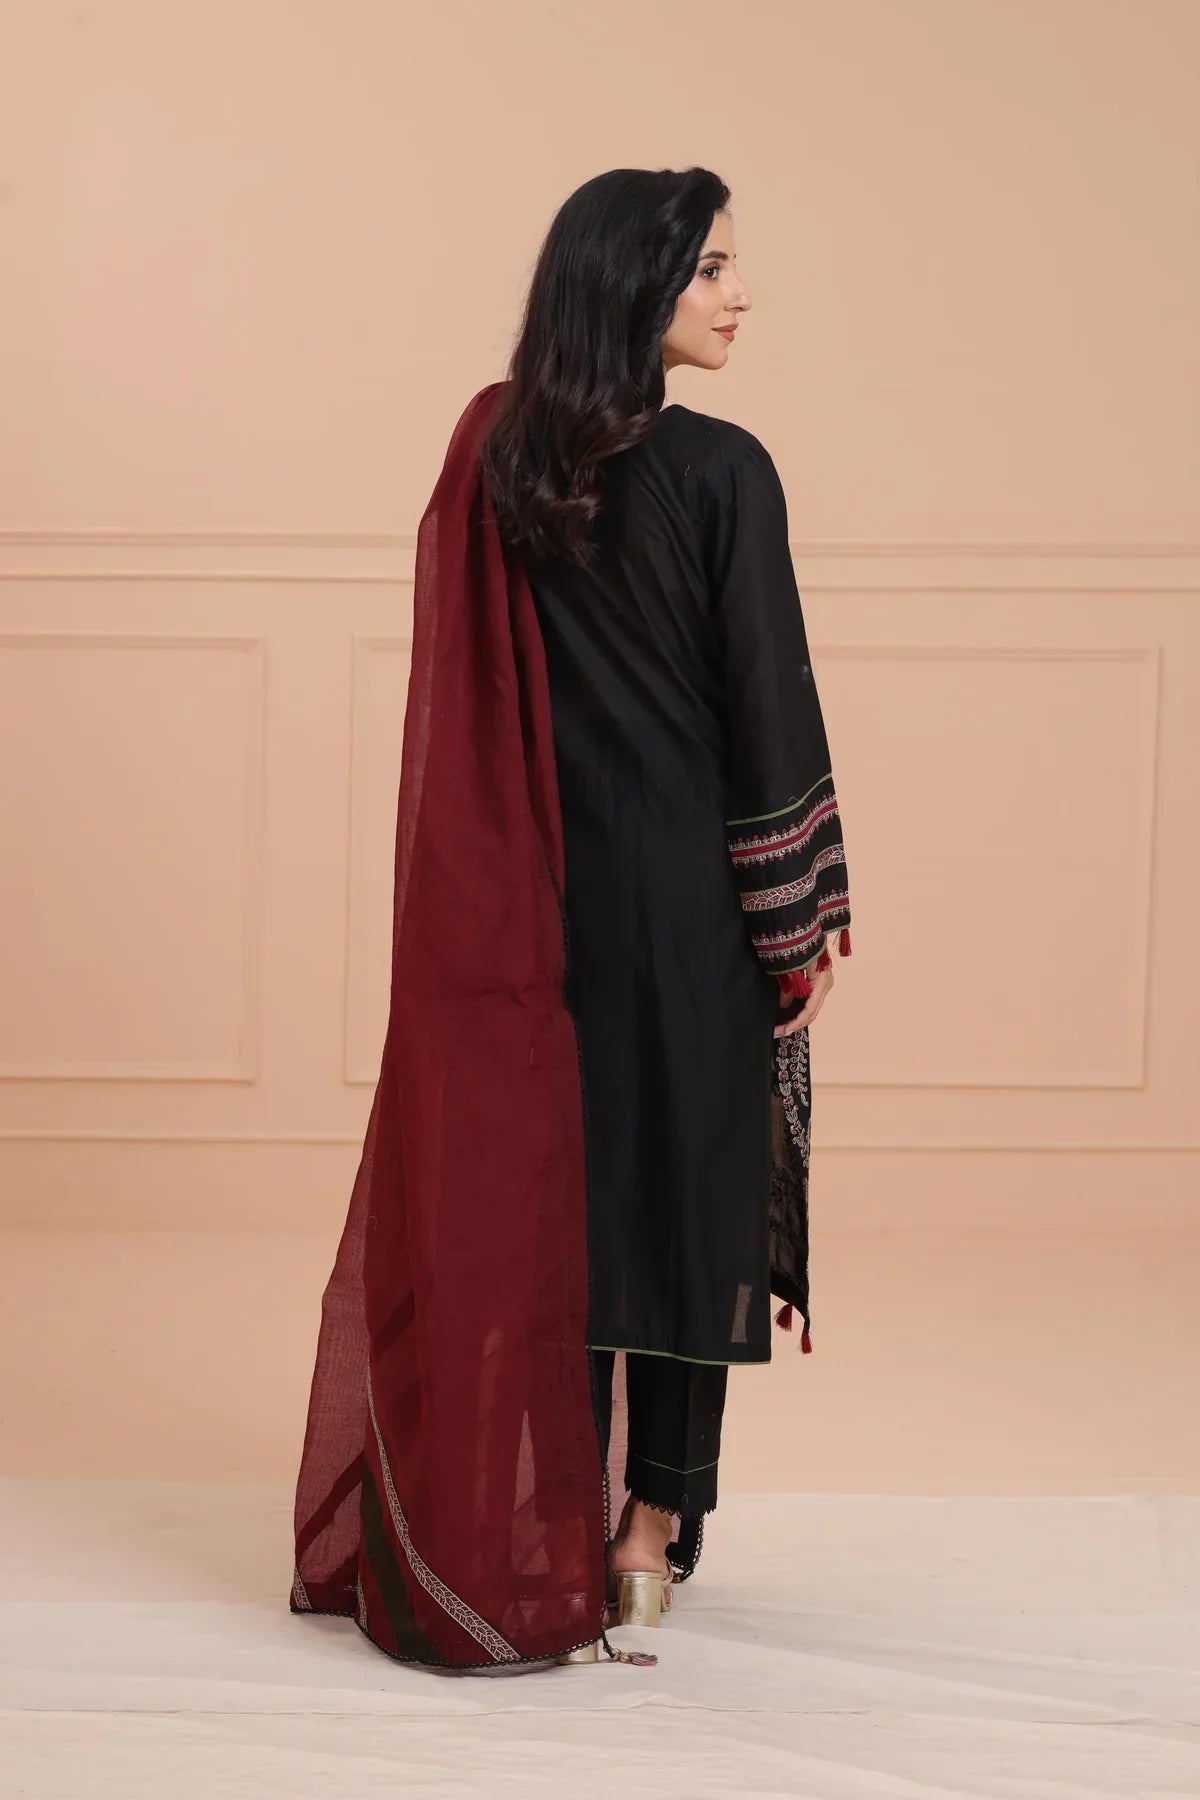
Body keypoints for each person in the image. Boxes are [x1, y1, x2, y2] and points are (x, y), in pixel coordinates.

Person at [289, 167, 852, 1674]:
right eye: (712, 267)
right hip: (692, 908)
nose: (739, 294)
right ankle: (646, 1540)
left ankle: (535, 1522)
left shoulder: (503, 452)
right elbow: (765, 705)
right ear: (634, 281)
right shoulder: (726, 470)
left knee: (568, 1208)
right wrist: (798, 919)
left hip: (536, 903)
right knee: (686, 1203)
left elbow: (467, 689)